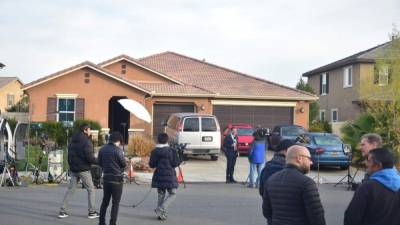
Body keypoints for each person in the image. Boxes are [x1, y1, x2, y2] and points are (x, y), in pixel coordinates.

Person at [263, 145, 326, 225]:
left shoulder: (271, 180)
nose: (311, 162)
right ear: (299, 159)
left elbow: (267, 212)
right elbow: (317, 215)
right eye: (309, 158)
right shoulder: (306, 183)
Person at [344, 148, 400, 225]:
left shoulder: (367, 187)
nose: (365, 163)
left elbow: (352, 218)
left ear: (378, 165)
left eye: (369, 161)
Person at [58, 124, 99, 219]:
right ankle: (92, 212)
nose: (90, 131)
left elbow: (69, 156)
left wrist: (71, 166)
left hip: (74, 169)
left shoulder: (72, 141)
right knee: (91, 189)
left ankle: (62, 211)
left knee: (71, 190)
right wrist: (99, 161)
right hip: (83, 170)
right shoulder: (86, 141)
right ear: (85, 130)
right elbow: (89, 157)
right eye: (89, 130)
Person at [149, 133, 181, 221]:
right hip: (170, 175)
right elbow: (175, 163)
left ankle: (161, 215)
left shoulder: (154, 151)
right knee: (172, 193)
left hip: (159, 175)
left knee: (161, 194)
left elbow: (151, 165)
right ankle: (161, 209)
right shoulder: (172, 151)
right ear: (167, 140)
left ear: (158, 140)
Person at [98, 132, 126, 225]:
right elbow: (123, 164)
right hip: (117, 179)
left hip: (106, 178)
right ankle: (112, 223)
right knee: (115, 203)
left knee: (105, 202)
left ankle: (101, 222)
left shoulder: (102, 149)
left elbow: (100, 162)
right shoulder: (118, 150)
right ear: (118, 140)